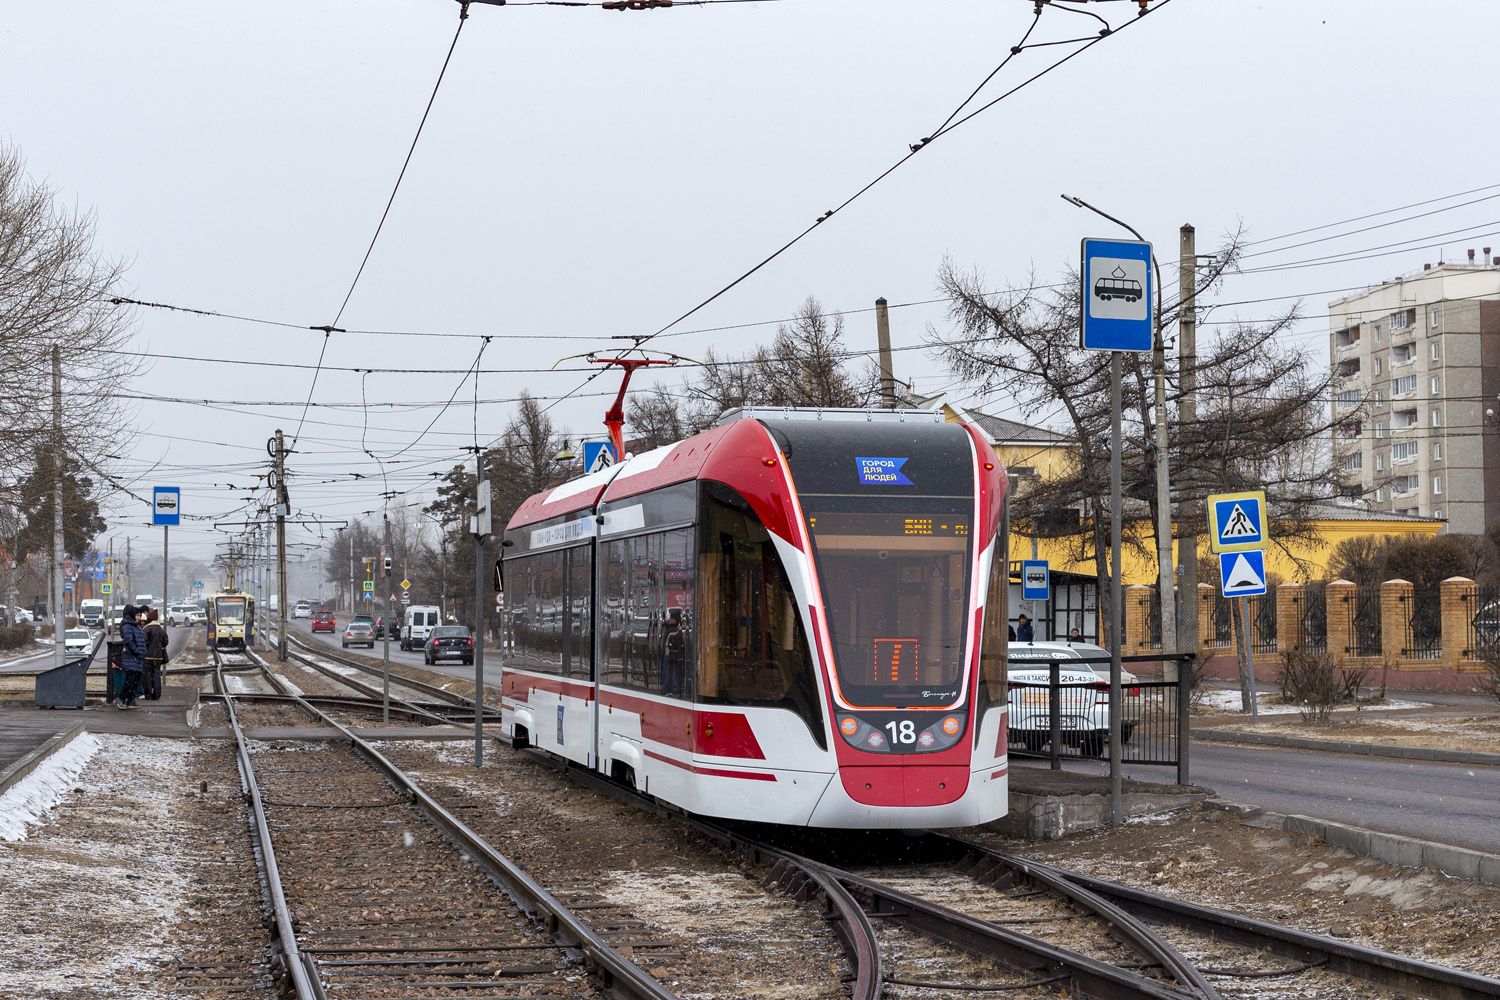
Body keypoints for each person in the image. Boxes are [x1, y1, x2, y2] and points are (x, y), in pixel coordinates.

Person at [119, 604, 146, 710]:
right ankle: (122, 699)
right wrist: (137, 652)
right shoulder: (128, 626)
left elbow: (140, 642)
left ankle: (131, 699)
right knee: (129, 680)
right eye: (137, 615)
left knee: (136, 680)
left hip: (138, 658)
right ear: (132, 615)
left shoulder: (136, 627)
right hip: (132, 657)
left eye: (139, 615)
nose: (139, 617)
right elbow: (129, 641)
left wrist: (142, 652)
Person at [143, 608, 169, 701]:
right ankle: (157, 695)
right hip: (158, 657)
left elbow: (144, 642)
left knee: (148, 676)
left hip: (148, 656)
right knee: (157, 675)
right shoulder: (161, 629)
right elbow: (166, 642)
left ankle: (148, 695)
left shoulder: (147, 629)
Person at [661, 607, 685, 696]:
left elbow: (666, 643)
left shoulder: (672, 631)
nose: (669, 620)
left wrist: (667, 652)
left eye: (671, 618)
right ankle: (674, 688)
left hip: (670, 654)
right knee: (674, 671)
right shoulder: (677, 629)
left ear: (674, 620)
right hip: (675, 654)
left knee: (668, 671)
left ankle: (667, 688)